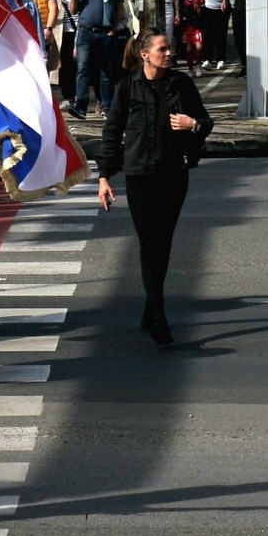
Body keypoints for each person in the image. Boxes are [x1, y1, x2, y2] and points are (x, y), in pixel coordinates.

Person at [97, 29, 213, 347]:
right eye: (162, 49)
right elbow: (112, 132)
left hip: (174, 174)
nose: (168, 53)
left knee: (163, 243)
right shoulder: (127, 87)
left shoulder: (181, 84)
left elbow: (206, 122)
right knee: (149, 245)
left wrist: (193, 125)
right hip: (139, 176)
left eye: (169, 49)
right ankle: (159, 318)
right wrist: (104, 176)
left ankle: (151, 308)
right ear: (145, 55)